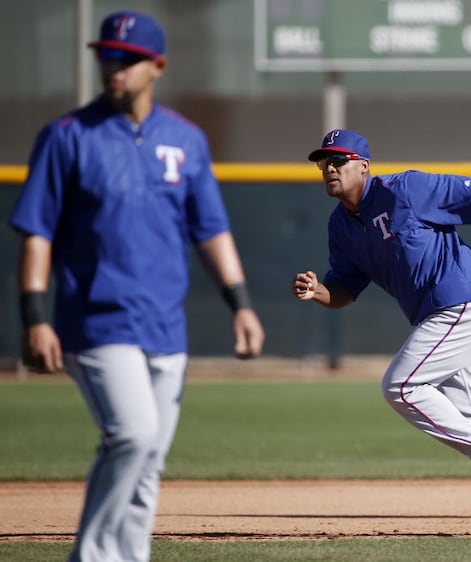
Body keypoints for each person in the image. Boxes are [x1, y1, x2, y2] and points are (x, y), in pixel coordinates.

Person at [9, 11, 265, 561]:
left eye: (127, 58)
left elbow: (211, 231)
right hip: (97, 321)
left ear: (157, 66)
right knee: (133, 435)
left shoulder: (186, 140)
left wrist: (240, 306)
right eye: (107, 55)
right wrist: (35, 316)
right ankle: (94, 555)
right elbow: (36, 234)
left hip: (165, 325)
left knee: (148, 460)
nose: (114, 66)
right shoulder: (65, 137)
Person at [291, 129, 471, 537]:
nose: (329, 169)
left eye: (339, 161)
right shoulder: (341, 226)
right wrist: (317, 290)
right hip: (448, 313)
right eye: (324, 163)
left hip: (465, 301)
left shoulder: (403, 189)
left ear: (364, 166)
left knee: (401, 386)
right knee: (468, 415)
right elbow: (345, 289)